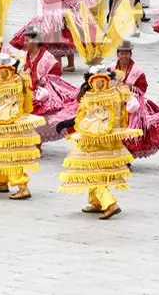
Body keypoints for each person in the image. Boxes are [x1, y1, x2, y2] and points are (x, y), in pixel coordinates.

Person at [57, 63, 142, 220]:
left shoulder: (102, 97)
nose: (97, 84)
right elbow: (88, 117)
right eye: (95, 80)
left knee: (92, 172)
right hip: (102, 140)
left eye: (100, 80)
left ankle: (110, 203)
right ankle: (96, 202)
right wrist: (71, 123)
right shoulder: (109, 94)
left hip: (97, 142)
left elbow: (95, 118)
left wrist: (70, 123)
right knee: (95, 172)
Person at [0, 52, 45, 201]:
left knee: (11, 155)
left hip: (10, 122)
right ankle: (1, 181)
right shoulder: (3, 80)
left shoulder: (13, 82)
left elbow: (0, 101)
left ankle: (22, 187)